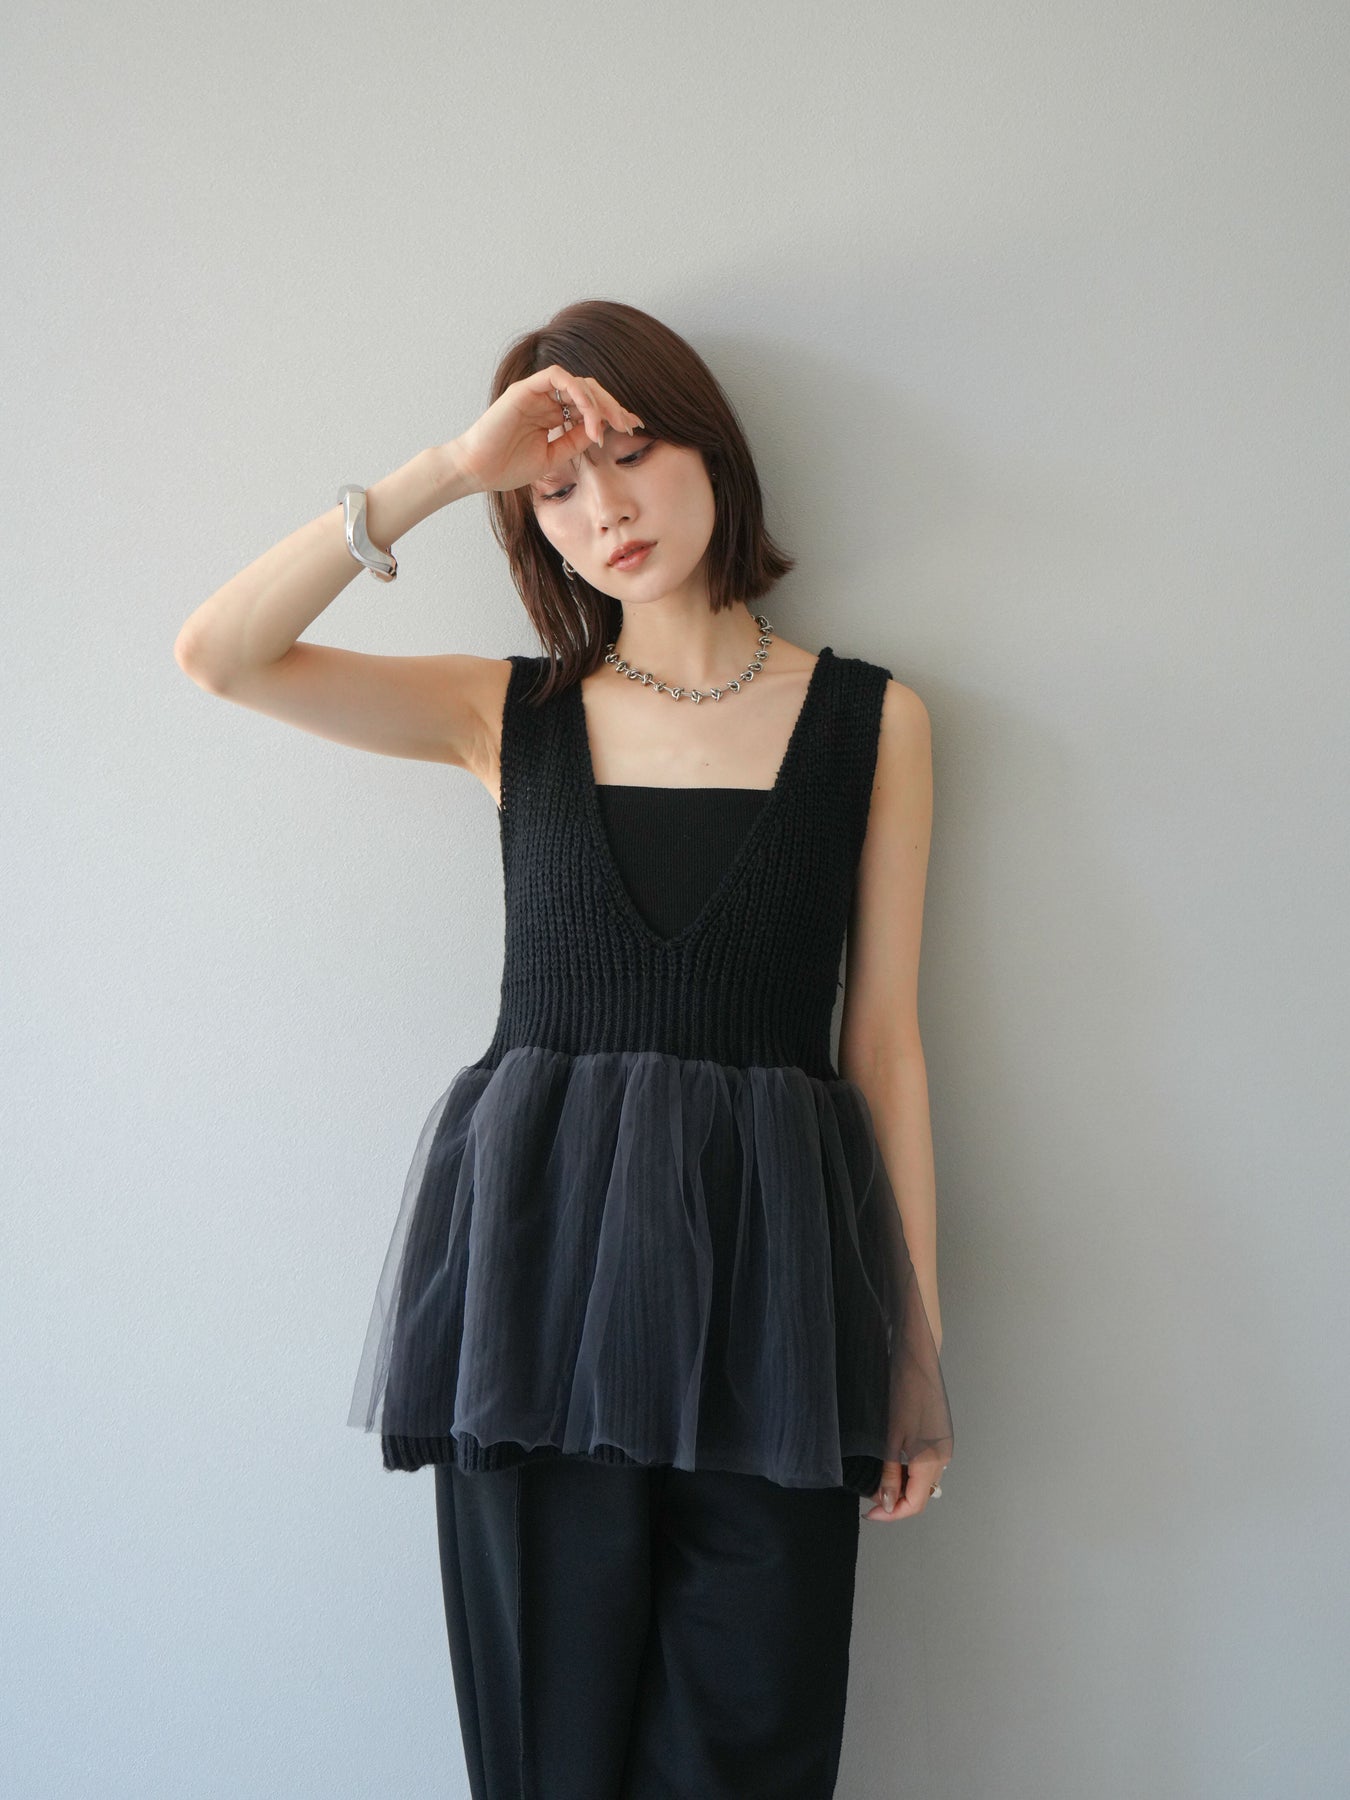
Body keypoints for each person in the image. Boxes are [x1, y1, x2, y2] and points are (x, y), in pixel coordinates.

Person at [175, 297, 954, 1799]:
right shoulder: (509, 714)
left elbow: (885, 1049)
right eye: (554, 488)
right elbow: (223, 655)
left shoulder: (873, 722)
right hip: (531, 1295)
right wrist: (444, 472)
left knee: (755, 1744)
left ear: (713, 452)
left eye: (636, 454)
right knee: (548, 1752)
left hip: (778, 1309)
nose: (606, 509)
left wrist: (911, 1357)